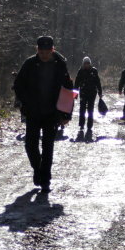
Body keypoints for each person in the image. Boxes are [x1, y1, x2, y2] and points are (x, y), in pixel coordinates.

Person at [13, 35, 73, 192]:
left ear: (52, 50)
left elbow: (68, 89)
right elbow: (18, 85)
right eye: (41, 52)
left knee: (48, 146)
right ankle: (38, 169)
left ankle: (45, 179)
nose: (44, 55)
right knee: (30, 145)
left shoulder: (60, 65)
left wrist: (66, 114)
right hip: (32, 112)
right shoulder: (29, 64)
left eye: (47, 52)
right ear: (37, 50)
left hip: (51, 113)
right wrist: (25, 102)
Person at [73, 56, 103, 137]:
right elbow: (76, 83)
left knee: (90, 109)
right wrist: (75, 94)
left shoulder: (94, 71)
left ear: (90, 64)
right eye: (85, 63)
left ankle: (89, 126)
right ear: (83, 64)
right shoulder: (80, 71)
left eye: (88, 63)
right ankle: (81, 125)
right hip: (83, 93)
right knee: (82, 109)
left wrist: (100, 92)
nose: (86, 65)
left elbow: (98, 82)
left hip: (92, 93)